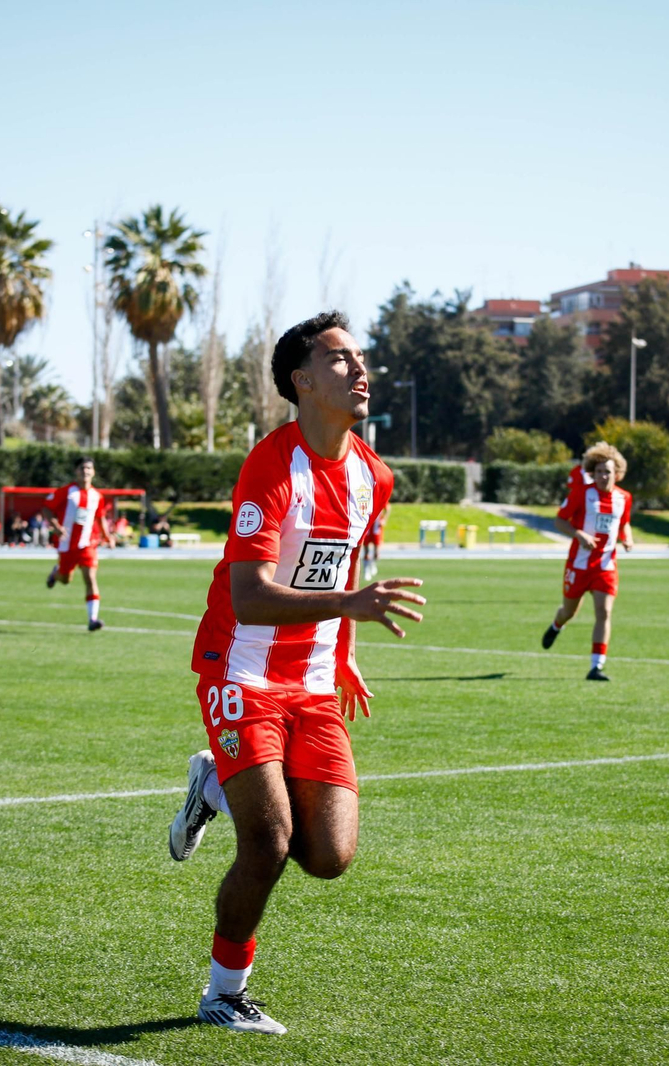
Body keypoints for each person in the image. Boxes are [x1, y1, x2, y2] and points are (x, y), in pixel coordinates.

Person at [166, 311, 423, 1036]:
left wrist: (344, 655)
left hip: (312, 683)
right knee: (270, 842)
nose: (360, 368)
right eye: (341, 359)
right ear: (302, 382)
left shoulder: (376, 475)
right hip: (238, 669)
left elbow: (334, 569)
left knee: (330, 856)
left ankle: (212, 781)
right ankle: (224, 993)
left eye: (361, 357)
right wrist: (351, 604)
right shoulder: (271, 465)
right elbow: (250, 593)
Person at [541, 441, 634, 680]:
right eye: (600, 471)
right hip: (579, 564)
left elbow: (624, 523)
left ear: (617, 474)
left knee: (604, 612)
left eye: (608, 472)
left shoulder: (624, 498)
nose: (603, 476)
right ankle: (556, 625)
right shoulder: (582, 493)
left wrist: (628, 539)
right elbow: (560, 521)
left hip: (605, 566)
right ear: (593, 472)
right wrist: (578, 534)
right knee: (569, 611)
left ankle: (596, 666)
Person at [42, 456, 115, 631]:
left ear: (94, 472)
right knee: (65, 580)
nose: (85, 471)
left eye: (89, 468)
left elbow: (100, 518)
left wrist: (108, 536)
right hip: (66, 544)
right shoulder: (67, 492)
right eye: (82, 468)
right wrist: (57, 527)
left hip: (87, 544)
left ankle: (93, 619)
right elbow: (46, 508)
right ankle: (56, 574)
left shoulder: (97, 496)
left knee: (90, 578)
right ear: (76, 471)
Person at [361, 500, 390, 581]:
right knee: (366, 550)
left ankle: (372, 564)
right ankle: (366, 570)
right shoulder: (366, 496)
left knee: (376, 553)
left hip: (376, 528)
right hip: (367, 527)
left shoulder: (379, 495)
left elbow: (388, 508)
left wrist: (384, 520)